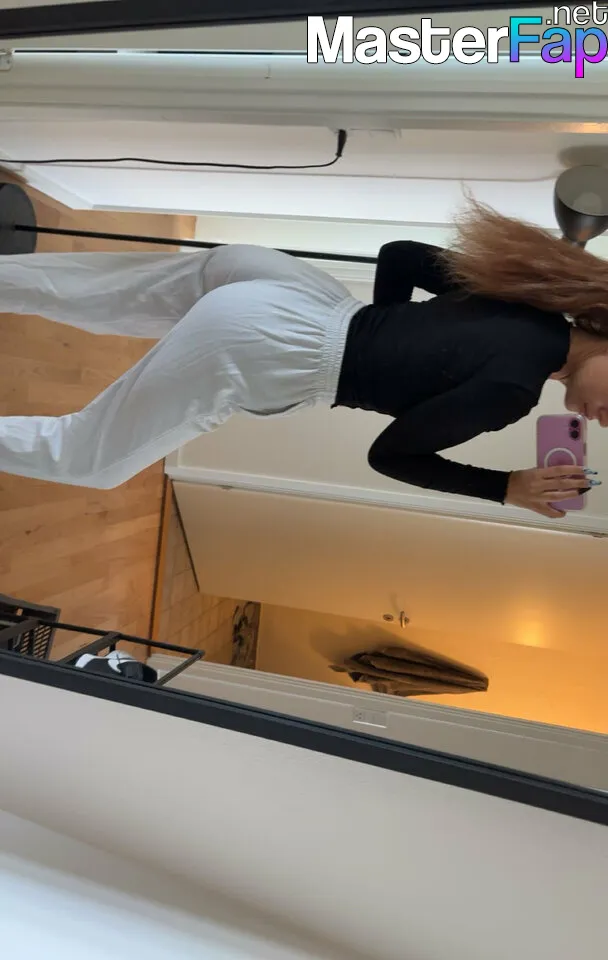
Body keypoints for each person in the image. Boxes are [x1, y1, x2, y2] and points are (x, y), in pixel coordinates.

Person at [0, 199, 605, 518]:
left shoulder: (533, 306)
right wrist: (505, 488)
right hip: (264, 343)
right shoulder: (513, 390)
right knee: (88, 458)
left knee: (94, 291)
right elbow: (391, 456)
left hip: (290, 288)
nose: (604, 419)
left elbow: (399, 255)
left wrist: (380, 331)